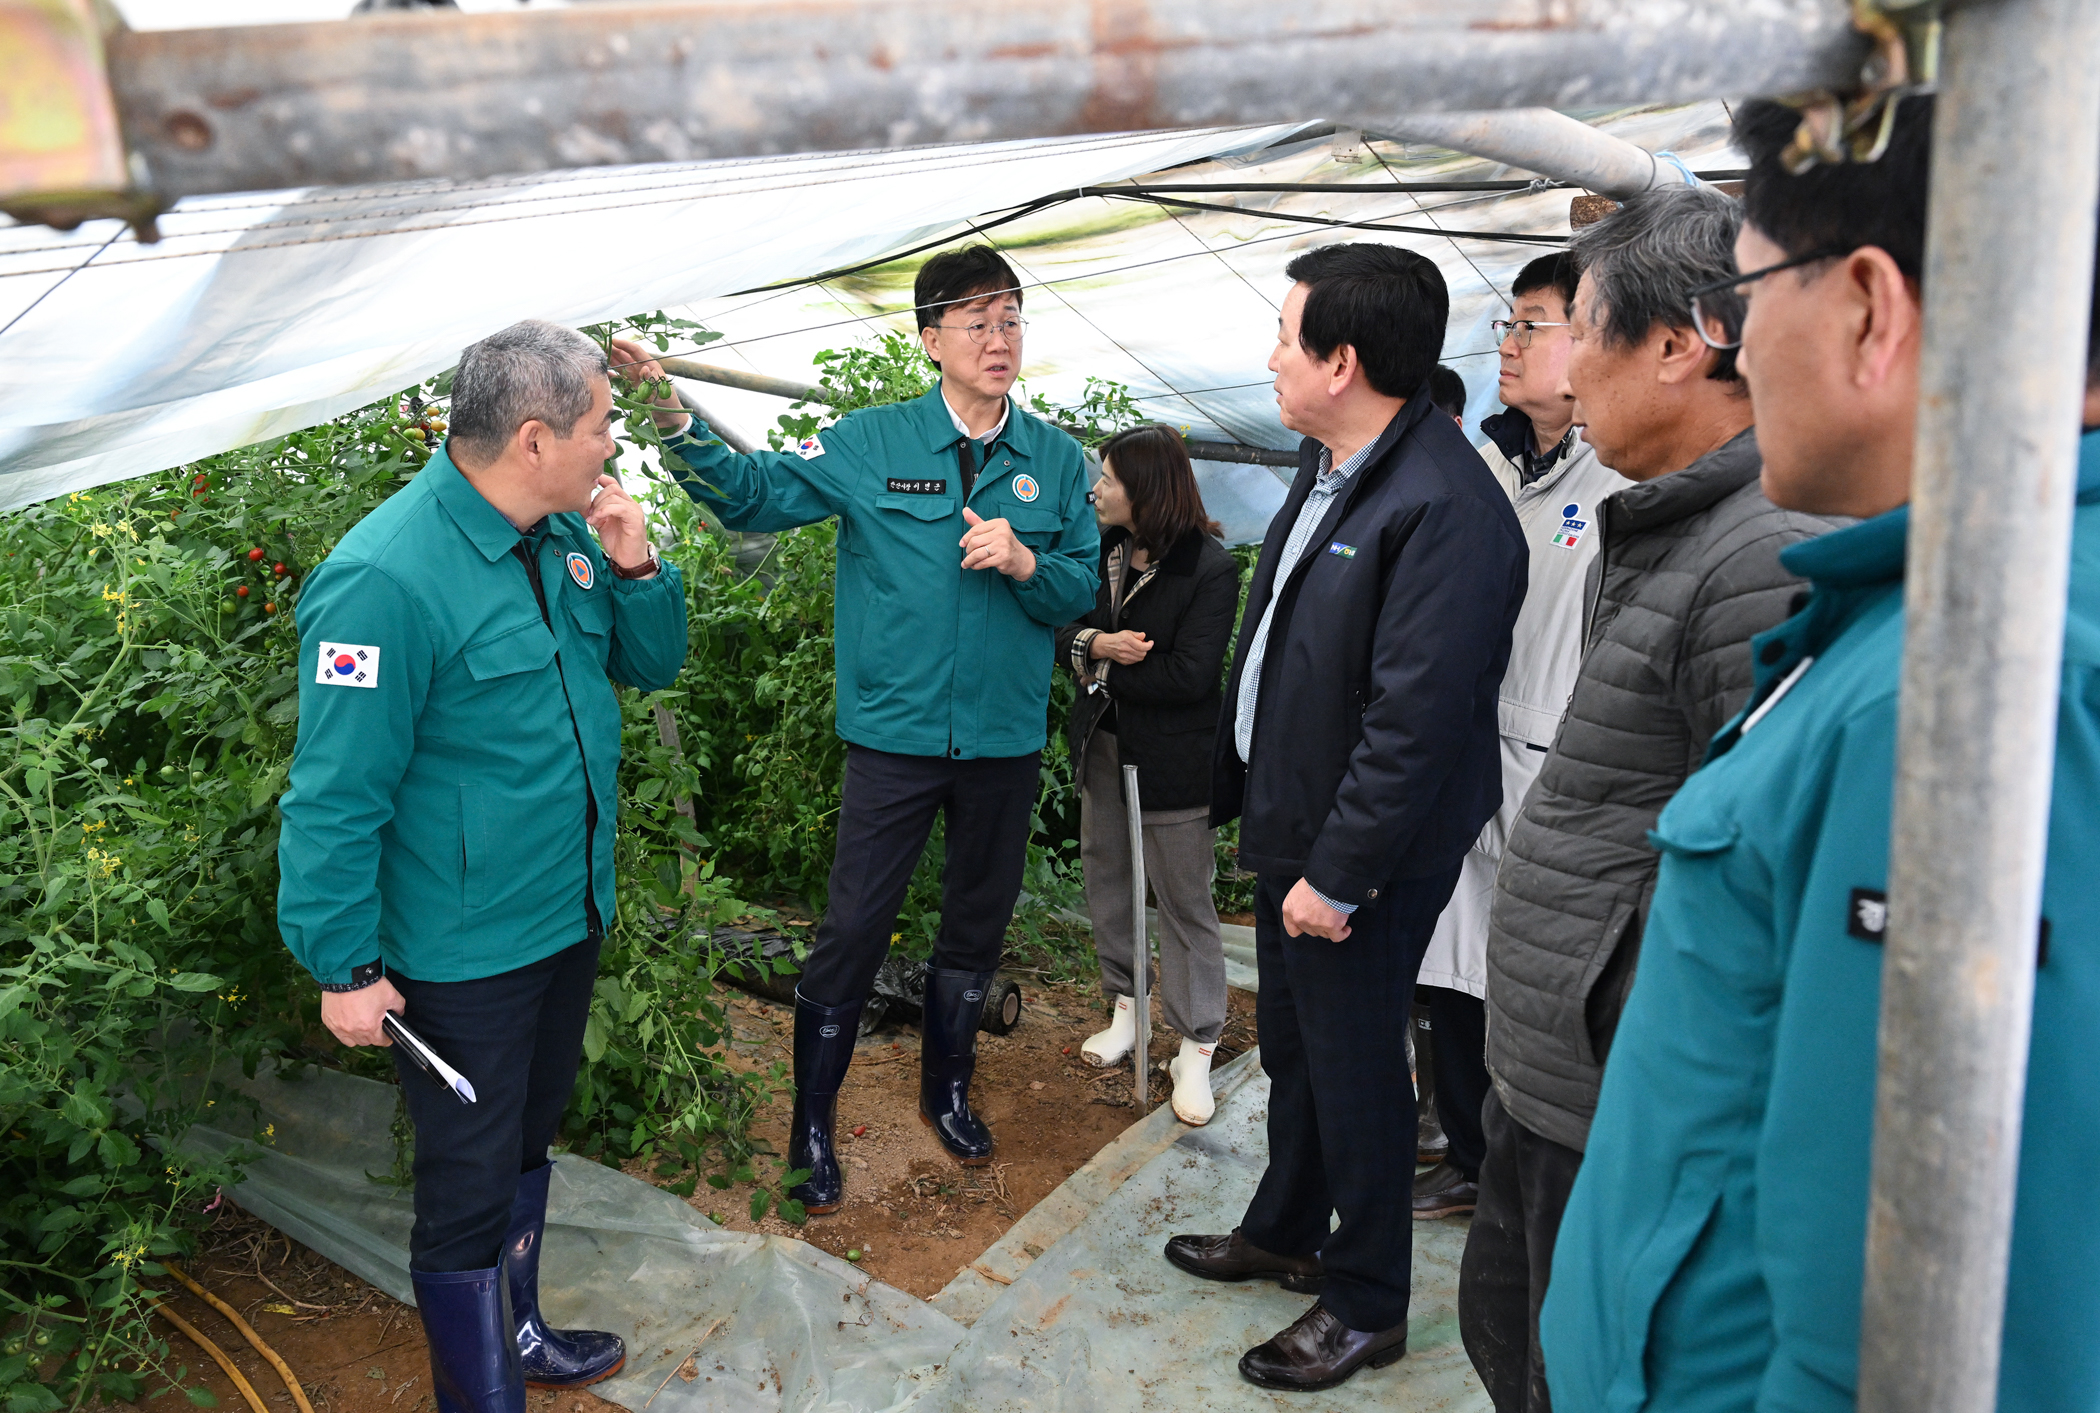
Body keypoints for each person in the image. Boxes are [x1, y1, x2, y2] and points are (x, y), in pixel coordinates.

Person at [1542, 95, 2100, 1413]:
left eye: (1748, 296)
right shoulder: (1919, 626)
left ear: (1867, 307)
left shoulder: (1978, 692)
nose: (1739, 348)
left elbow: (1960, 1302)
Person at [1460, 190, 1836, 1412]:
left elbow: (1751, 892)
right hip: (1560, 1078)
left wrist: (1609, 1027)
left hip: (1616, 1100)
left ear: (1681, 345)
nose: (1556, 369)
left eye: (1578, 328)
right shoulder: (1675, 530)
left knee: (1572, 1372)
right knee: (1519, 1349)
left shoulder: (1759, 557)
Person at [276, 320, 690, 1411]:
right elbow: (334, 796)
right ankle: (481, 1393)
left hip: (564, 913)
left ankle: (524, 1331)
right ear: (538, 438)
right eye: (604, 428)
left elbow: (650, 663)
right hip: (462, 951)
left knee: (524, 1136)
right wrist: (340, 967)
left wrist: (638, 562)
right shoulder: (382, 579)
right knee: (465, 1186)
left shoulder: (561, 539)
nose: (615, 448)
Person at [638, 245, 1100, 1215]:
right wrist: (675, 424)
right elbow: (751, 495)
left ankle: (948, 1087)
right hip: (893, 743)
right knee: (852, 931)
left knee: (976, 926)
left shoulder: (1056, 464)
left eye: (1011, 318)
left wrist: (1025, 563)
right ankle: (814, 1123)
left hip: (1002, 744)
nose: (998, 338)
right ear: (929, 339)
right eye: (975, 322)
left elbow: (1080, 589)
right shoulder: (870, 443)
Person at [1163, 242, 1528, 1392]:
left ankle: (1366, 1297)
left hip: (1354, 851)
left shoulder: (1445, 506)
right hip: (1298, 826)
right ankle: (1287, 1226)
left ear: (1344, 359)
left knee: (1361, 1064)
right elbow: (1288, 644)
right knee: (1301, 1048)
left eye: (1285, 335)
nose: (1270, 357)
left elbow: (1416, 721)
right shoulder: (1337, 464)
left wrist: (1342, 873)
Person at [1413, 252, 1630, 1226]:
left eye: (1531, 324)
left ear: (1593, 337)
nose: (1508, 342)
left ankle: (1516, 1171)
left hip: (1560, 769)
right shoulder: (1488, 464)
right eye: (1508, 323)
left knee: (1531, 986)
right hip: (1469, 755)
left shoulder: (1620, 480)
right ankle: (1466, 1153)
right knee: (1451, 977)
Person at [1057, 424, 1239, 1125]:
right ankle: (1127, 1010)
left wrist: (1097, 666)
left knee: (1184, 900)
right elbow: (1063, 632)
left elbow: (1191, 675)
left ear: (1147, 489)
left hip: (1171, 765)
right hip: (1103, 749)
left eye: (1108, 478)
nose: (1097, 488)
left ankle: (1196, 1046)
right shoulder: (1101, 549)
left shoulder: (1208, 569)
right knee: (1108, 879)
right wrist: (1101, 648)